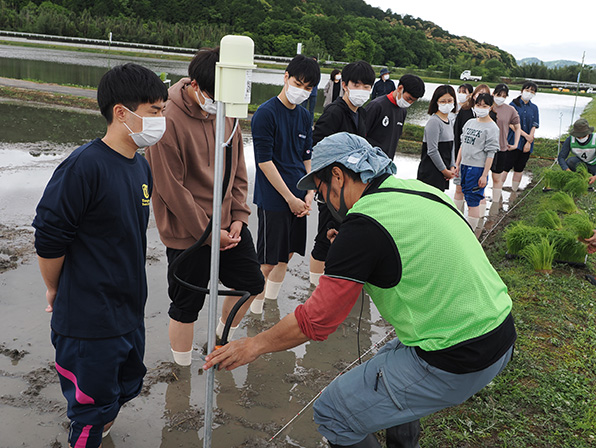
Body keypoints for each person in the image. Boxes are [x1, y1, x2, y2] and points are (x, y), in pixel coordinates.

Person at [203, 132, 516, 448]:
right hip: (501, 333)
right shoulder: (419, 190)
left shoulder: (363, 226)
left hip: (457, 358)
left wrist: (254, 345)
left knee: (332, 412)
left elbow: (317, 320)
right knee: (387, 357)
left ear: (337, 176)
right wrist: (358, 254)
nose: (324, 201)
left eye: (322, 192)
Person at [32, 63, 168, 448]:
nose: (161, 119)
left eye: (163, 110)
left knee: (124, 389)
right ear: (121, 112)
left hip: (127, 312)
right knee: (91, 411)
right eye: (154, 111)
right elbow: (49, 239)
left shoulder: (141, 166)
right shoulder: (83, 166)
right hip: (89, 321)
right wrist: (54, 290)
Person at [145, 48, 265, 366]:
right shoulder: (167, 118)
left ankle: (220, 342)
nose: (217, 103)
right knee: (187, 304)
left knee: (251, 283)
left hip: (229, 225)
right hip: (188, 233)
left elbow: (239, 167)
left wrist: (239, 215)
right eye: (213, 95)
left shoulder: (228, 109)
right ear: (196, 85)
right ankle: (180, 373)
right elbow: (171, 189)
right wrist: (210, 234)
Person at [249, 54, 320, 314]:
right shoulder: (266, 114)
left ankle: (270, 304)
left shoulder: (303, 116)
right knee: (267, 261)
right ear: (286, 77)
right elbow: (264, 162)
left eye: (308, 87)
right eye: (298, 83)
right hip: (274, 197)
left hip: (300, 197)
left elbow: (306, 156)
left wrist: (310, 191)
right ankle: (252, 311)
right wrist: (290, 198)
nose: (301, 91)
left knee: (287, 254)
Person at [309, 60, 375, 286]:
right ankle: (314, 287)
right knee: (324, 239)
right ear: (345, 85)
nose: (363, 90)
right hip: (332, 189)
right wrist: (326, 184)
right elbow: (316, 148)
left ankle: (333, 280)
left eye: (367, 86)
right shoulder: (335, 113)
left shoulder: (362, 114)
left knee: (342, 237)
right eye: (357, 84)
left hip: (351, 190)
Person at [455, 93, 500, 232]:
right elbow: (463, 145)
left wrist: (484, 174)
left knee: (473, 200)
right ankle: (461, 226)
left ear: (490, 107)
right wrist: (457, 164)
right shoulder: (470, 122)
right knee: (461, 193)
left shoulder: (492, 128)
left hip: (477, 168)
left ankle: (471, 232)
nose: (481, 108)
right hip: (464, 166)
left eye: (484, 106)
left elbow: (490, 153)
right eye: (478, 105)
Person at [365, 74, 425, 160]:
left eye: (413, 101)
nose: (410, 103)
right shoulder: (376, 106)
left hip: (387, 163)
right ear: (400, 88)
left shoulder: (403, 111)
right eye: (409, 98)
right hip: (369, 160)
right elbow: (360, 135)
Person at [453, 84, 492, 213]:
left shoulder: (490, 120)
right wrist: (456, 161)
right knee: (459, 187)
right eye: (478, 94)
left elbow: (491, 148)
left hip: (478, 162)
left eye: (484, 94)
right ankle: (458, 215)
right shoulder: (465, 112)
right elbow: (459, 136)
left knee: (477, 192)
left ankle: (479, 219)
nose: (480, 97)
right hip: (462, 156)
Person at [416, 84, 456, 191]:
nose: (447, 104)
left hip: (444, 172)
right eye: (443, 101)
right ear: (436, 102)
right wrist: (444, 171)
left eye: (450, 100)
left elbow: (452, 146)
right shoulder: (434, 122)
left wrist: (452, 166)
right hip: (431, 172)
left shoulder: (450, 121)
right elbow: (432, 150)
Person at [503, 81, 540, 192]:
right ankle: (497, 191)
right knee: (506, 167)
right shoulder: (513, 105)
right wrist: (525, 136)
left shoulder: (534, 108)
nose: (529, 93)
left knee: (520, 168)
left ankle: (514, 191)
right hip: (513, 140)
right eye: (527, 90)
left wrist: (529, 141)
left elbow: (534, 124)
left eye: (532, 91)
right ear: (522, 90)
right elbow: (510, 124)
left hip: (527, 143)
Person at [490, 83, 521, 205]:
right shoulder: (486, 107)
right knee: (480, 178)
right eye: (498, 95)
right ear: (493, 94)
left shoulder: (510, 110)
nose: (500, 97)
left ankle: (495, 205)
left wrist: (515, 144)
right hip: (482, 149)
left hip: (500, 148)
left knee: (497, 178)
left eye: (504, 96)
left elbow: (518, 127)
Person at [557, 118, 596, 184]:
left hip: (594, 165)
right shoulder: (570, 139)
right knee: (571, 161)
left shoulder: (594, 139)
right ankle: (580, 175)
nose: (580, 138)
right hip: (581, 164)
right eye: (578, 136)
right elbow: (561, 157)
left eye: (583, 136)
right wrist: (567, 169)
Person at [301, 56, 319, 126]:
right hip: (304, 93)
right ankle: (302, 123)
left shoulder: (317, 72)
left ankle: (310, 125)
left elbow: (316, 82)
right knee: (303, 109)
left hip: (313, 94)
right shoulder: (305, 71)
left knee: (311, 111)